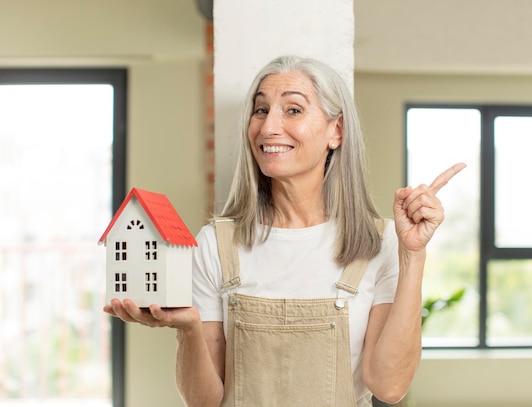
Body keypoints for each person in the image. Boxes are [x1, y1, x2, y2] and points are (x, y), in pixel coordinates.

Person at [104, 55, 465, 407]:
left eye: (292, 110)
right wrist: (188, 329)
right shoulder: (216, 244)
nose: (267, 127)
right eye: (260, 110)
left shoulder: (378, 243)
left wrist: (412, 254)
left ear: (335, 131)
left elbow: (389, 386)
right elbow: (204, 402)